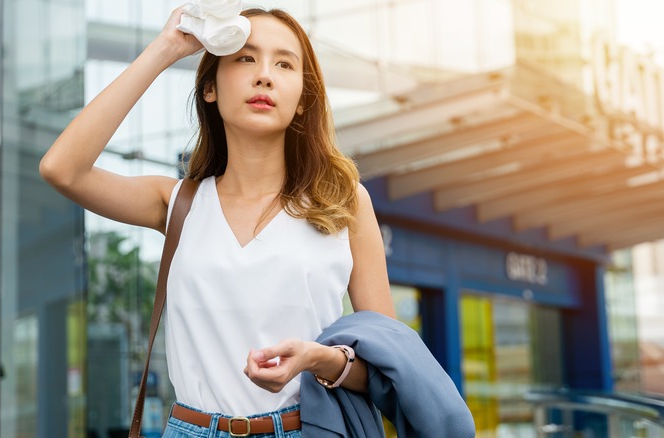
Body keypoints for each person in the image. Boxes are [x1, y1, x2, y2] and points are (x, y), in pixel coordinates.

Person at [41, 6, 472, 437]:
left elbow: (388, 366)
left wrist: (317, 358)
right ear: (209, 87)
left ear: (303, 99)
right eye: (245, 58)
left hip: (303, 428)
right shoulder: (178, 202)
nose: (264, 75)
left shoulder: (344, 203)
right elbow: (62, 169)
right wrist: (166, 48)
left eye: (284, 63)